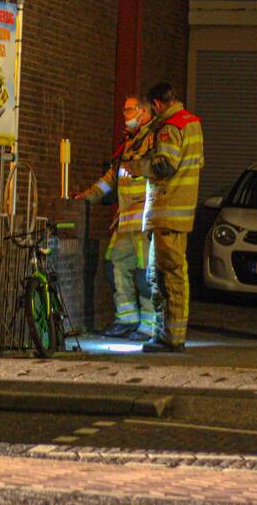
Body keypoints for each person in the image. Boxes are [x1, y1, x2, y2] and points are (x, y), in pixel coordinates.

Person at [76, 95, 156, 340]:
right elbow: (112, 178)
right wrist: (85, 197)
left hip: (144, 221)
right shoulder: (130, 143)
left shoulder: (154, 140)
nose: (124, 115)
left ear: (142, 111)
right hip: (126, 223)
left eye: (128, 110)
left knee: (145, 274)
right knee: (114, 263)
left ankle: (149, 324)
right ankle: (126, 319)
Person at [133, 82, 203, 353]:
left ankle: (171, 338)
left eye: (150, 107)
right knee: (161, 274)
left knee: (167, 277)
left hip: (167, 211)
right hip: (178, 212)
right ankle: (166, 334)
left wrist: (137, 166)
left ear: (158, 104)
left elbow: (165, 165)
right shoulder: (191, 123)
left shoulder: (171, 127)